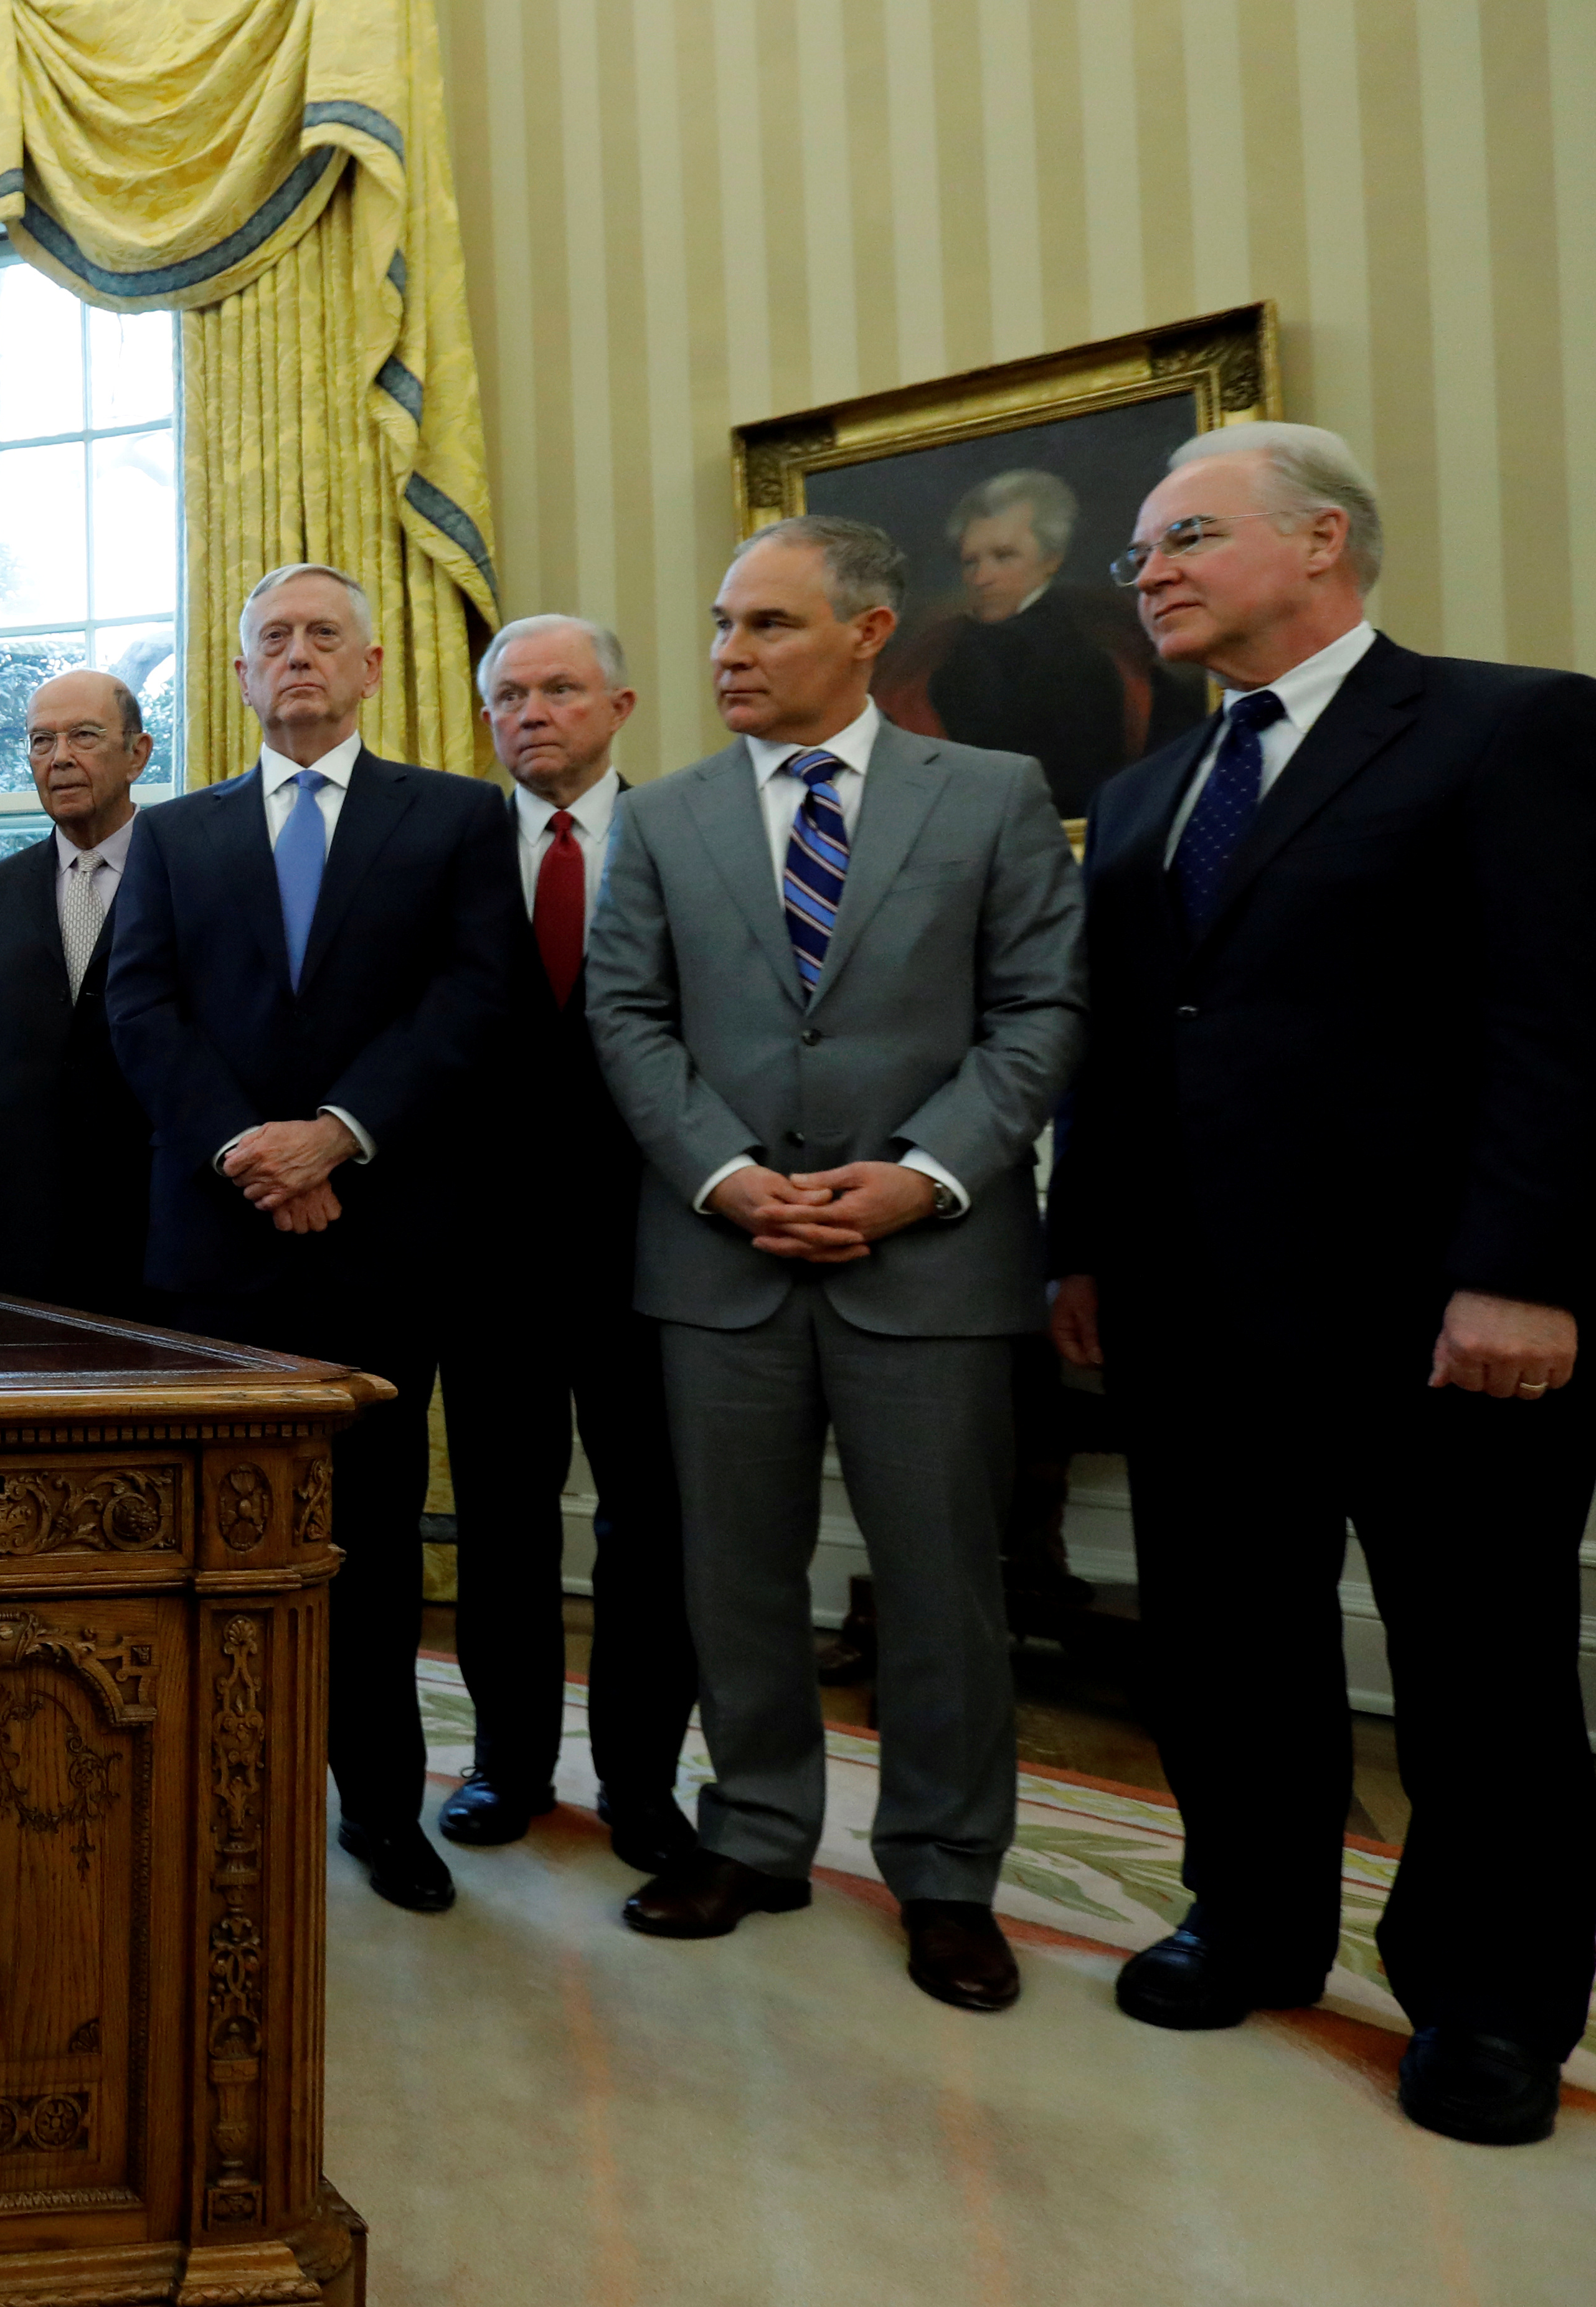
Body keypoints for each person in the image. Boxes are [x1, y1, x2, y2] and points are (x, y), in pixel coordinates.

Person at [1052, 424, 1596, 2143]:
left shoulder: (1507, 728)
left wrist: (1517, 1272)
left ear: (1319, 543)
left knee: (1477, 1672)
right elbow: (1123, 1054)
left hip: (1439, 1319)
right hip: (1192, 1313)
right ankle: (1254, 1919)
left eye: (1183, 534)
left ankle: (1491, 1999)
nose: (1144, 568)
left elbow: (1558, 1023)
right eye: (1138, 547)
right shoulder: (1147, 793)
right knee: (1223, 1647)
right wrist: (1078, 1248)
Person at [580, 515, 1083, 2014]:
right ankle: (753, 1833)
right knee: (732, 1577)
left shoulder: (990, 795)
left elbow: (1039, 1014)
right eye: (723, 625)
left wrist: (916, 1180)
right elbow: (626, 1016)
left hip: (925, 1259)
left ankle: (941, 1873)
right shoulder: (662, 819)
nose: (726, 653)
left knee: (939, 1588)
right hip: (714, 1257)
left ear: (867, 633)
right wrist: (728, 1177)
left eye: (766, 626)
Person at [106, 563, 532, 1918]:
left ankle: (382, 1808)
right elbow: (142, 1007)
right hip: (216, 1246)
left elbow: (477, 1000)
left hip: (379, 1237)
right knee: (206, 1542)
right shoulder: (175, 834)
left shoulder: (459, 818)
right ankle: (212, 1792)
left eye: (322, 637)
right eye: (271, 640)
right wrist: (254, 1147)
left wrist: (339, 1132)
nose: (297, 656)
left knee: (371, 1540)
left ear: (373, 666)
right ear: (238, 677)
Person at [435, 615, 700, 1874]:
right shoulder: (447, 856)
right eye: (508, 696)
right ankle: (508, 1762)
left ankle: (643, 1784)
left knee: (652, 1525)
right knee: (501, 1520)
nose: (531, 712)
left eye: (557, 689)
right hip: (485, 1253)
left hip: (658, 1250)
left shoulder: (688, 842)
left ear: (620, 703)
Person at [0, 665, 159, 1319]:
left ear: (137, 753)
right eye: (40, 742)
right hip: (7, 1226)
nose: (60, 759)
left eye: (83, 736)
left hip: (152, 1218)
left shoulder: (189, 877)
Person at [876, 467, 1204, 815]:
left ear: (1051, 559)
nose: (982, 578)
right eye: (970, 562)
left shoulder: (1092, 646)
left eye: (1003, 556)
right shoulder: (941, 650)